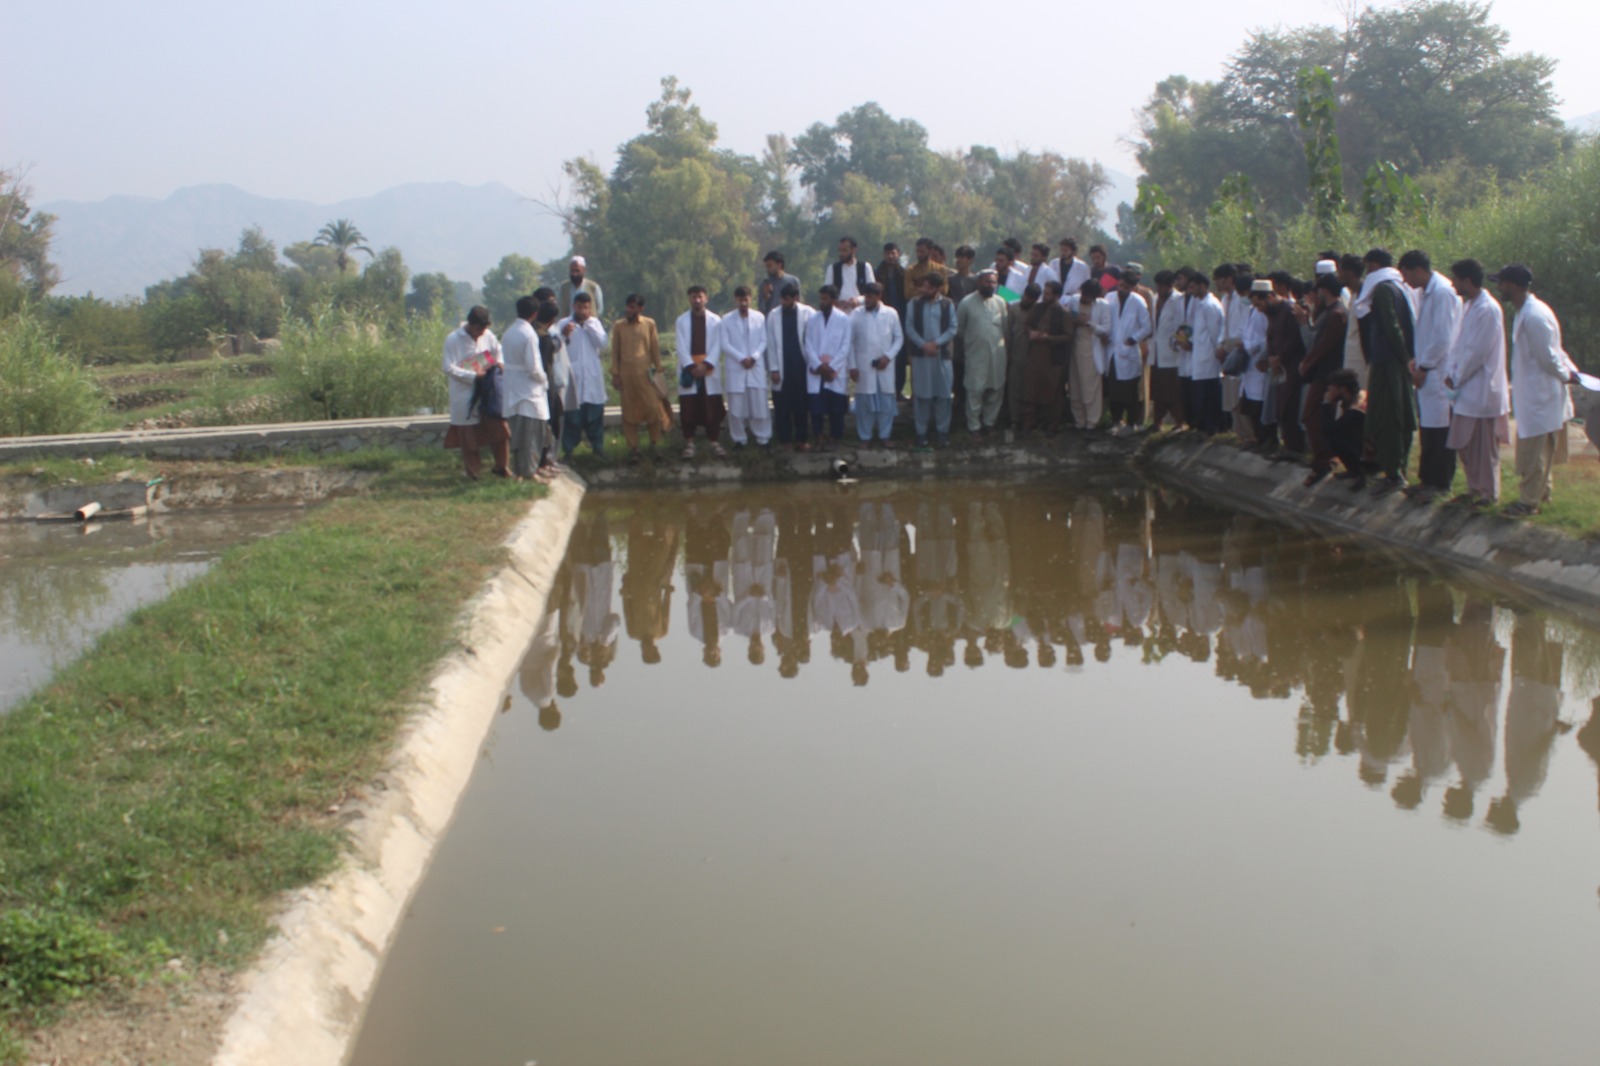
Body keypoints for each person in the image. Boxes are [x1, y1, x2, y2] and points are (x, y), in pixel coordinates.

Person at [1497, 263, 1580, 516]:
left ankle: (1528, 502)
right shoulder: (1528, 311)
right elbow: (1556, 352)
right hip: (1536, 394)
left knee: (1532, 453)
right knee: (1540, 450)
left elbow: (1548, 357)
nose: (1498, 288)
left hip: (1540, 395)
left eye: (1500, 283)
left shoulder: (1534, 315)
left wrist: (1567, 374)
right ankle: (1542, 495)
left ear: (1511, 285)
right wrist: (1569, 371)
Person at [1442, 258, 1509, 507]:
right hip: (1465, 388)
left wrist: (1457, 376)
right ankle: (1473, 488)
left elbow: (1478, 352)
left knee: (1484, 446)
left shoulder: (1488, 309)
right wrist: (1451, 371)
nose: (1453, 284)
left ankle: (1488, 494)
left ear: (1467, 281)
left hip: (1481, 387)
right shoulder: (1469, 306)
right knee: (1466, 444)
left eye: (1456, 279)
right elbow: (1458, 345)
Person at [1401, 250, 1463, 500]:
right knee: (1428, 429)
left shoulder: (1442, 292)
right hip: (1426, 368)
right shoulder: (1426, 292)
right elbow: (1426, 334)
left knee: (1440, 431)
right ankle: (1427, 479)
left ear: (1418, 270)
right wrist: (1418, 360)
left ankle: (1440, 484)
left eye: (1407, 275)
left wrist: (1424, 367)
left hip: (1437, 372)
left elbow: (1442, 338)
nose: (1406, 281)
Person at [1355, 248, 1418, 494]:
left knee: (1388, 417)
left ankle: (1393, 473)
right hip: (1397, 362)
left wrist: (1403, 358)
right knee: (1399, 414)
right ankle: (1396, 469)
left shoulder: (1382, 289)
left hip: (1388, 363)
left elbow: (1392, 327)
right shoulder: (1400, 287)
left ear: (1373, 265)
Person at [1296, 274, 1349, 485]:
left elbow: (1325, 345)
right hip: (1321, 371)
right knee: (1314, 416)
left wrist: (1307, 363)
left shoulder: (1337, 313)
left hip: (1327, 373)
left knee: (1311, 414)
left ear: (1325, 290)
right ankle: (1324, 457)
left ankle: (1324, 460)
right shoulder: (1328, 312)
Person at [441, 305, 502, 480]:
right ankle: (473, 472)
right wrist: (472, 375)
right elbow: (447, 367)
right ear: (470, 324)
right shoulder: (453, 339)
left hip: (487, 392)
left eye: (483, 329)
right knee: (468, 436)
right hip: (463, 391)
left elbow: (498, 352)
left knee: (496, 429)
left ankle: (500, 466)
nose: (480, 333)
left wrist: (499, 363)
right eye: (477, 329)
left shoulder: (488, 335)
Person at [609, 294, 670, 462]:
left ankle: (655, 444)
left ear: (640, 309)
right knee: (628, 413)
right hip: (626, 376)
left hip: (646, 375)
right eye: (628, 307)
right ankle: (634, 449)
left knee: (653, 409)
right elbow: (615, 352)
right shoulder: (619, 326)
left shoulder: (649, 324)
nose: (629, 310)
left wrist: (659, 370)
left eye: (633, 307)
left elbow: (655, 348)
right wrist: (615, 374)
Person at [905, 273, 957, 448]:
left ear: (937, 288)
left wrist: (936, 343)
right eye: (923, 286)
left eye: (928, 287)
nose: (924, 290)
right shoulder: (914, 303)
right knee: (922, 396)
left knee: (944, 395)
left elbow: (952, 328)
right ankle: (921, 433)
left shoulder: (947, 304)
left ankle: (942, 432)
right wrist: (923, 345)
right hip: (922, 356)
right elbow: (909, 327)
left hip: (941, 356)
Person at [502, 294, 551, 480]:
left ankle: (519, 470)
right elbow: (533, 366)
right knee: (531, 436)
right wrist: (543, 379)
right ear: (535, 313)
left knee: (517, 435)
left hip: (513, 388)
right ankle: (529, 471)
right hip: (529, 390)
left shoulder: (509, 332)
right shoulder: (529, 334)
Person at [956, 269, 1009, 438]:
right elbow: (959, 329)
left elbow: (1005, 327)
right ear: (979, 283)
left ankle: (989, 423)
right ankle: (974, 426)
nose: (990, 285)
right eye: (987, 282)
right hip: (975, 354)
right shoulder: (966, 302)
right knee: (975, 390)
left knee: (996, 388)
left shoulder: (1001, 301)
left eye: (993, 282)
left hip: (997, 355)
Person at [849, 281, 903, 447]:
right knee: (865, 404)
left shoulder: (891, 313)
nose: (867, 300)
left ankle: (884, 435)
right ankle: (865, 437)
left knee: (885, 404)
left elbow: (898, 338)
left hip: (885, 365)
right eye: (866, 296)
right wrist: (852, 365)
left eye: (871, 296)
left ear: (879, 296)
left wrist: (888, 357)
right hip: (864, 365)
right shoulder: (856, 314)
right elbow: (849, 342)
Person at [674, 285, 726, 458]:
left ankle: (714, 441)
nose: (697, 300)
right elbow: (680, 347)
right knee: (689, 406)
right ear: (689, 299)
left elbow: (718, 345)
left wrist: (706, 365)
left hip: (708, 369)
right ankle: (689, 442)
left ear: (706, 298)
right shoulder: (681, 321)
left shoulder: (716, 320)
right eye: (693, 297)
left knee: (711, 404)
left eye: (700, 297)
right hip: (690, 370)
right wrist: (691, 366)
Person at [557, 292, 608, 460]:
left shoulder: (594, 323)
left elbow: (602, 343)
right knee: (572, 418)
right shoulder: (564, 324)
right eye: (579, 307)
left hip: (592, 378)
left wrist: (589, 325)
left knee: (594, 416)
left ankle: (598, 449)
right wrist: (564, 334)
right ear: (574, 306)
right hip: (573, 379)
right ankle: (569, 451)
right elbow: (555, 346)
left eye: (586, 308)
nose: (582, 311)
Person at [765, 283, 815, 451]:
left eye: (787, 299)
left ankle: (801, 440)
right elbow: (770, 344)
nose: (784, 302)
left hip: (801, 365)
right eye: (782, 299)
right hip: (782, 365)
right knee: (782, 407)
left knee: (801, 406)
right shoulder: (773, 315)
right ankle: (785, 441)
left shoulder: (808, 313)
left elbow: (813, 340)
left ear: (795, 298)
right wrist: (773, 369)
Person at [720, 286, 770, 448]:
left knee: (760, 405)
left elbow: (764, 340)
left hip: (755, 366)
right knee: (736, 407)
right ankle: (739, 439)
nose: (743, 303)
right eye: (740, 300)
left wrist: (754, 357)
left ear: (750, 298)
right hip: (736, 366)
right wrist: (741, 358)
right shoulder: (726, 320)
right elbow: (724, 344)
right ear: (735, 300)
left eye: (745, 299)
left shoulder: (760, 317)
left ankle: (763, 438)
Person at [803, 284, 853, 448]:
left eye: (825, 299)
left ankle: (835, 439)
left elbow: (845, 346)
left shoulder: (844, 320)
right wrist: (819, 365)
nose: (821, 302)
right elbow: (808, 344)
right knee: (817, 409)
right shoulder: (813, 319)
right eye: (821, 298)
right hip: (817, 370)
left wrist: (831, 366)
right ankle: (819, 437)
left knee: (836, 409)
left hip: (835, 371)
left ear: (833, 300)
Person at [1020, 279, 1072, 434]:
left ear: (1056, 295)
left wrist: (1048, 338)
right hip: (1034, 356)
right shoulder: (1037, 308)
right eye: (1044, 293)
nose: (1044, 296)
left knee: (1053, 393)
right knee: (1030, 391)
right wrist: (1031, 333)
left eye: (1048, 294)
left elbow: (1068, 336)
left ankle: (1051, 427)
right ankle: (1028, 425)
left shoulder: (1063, 313)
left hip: (1053, 359)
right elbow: (1027, 325)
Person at [1105, 270, 1151, 434]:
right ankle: (1116, 421)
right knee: (1113, 390)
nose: (1121, 288)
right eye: (1120, 285)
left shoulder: (1138, 301)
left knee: (1130, 391)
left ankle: (1131, 423)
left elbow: (1147, 327)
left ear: (1132, 288)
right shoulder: (1109, 298)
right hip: (1112, 351)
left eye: (1125, 286)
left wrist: (1133, 339)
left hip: (1129, 351)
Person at [1182, 272, 1226, 435]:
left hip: (1209, 357)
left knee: (1210, 396)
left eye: (1193, 287)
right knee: (1201, 396)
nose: (1191, 291)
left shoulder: (1210, 305)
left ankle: (1213, 428)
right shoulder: (1199, 304)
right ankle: (1203, 427)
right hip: (1199, 356)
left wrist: (1217, 351)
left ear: (1202, 286)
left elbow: (1215, 333)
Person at [1065, 278, 1110, 431]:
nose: (1084, 298)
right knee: (1075, 386)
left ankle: (1092, 422)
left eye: (1088, 296)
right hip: (1074, 349)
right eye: (1083, 294)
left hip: (1091, 350)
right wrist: (1074, 320)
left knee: (1090, 388)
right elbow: (1068, 317)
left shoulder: (1103, 306)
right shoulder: (1074, 300)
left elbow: (1106, 329)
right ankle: (1079, 421)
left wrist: (1088, 323)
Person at [1148, 270, 1186, 430]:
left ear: (1170, 286)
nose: (1159, 289)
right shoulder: (1156, 299)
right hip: (1156, 350)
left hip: (1171, 352)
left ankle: (1179, 422)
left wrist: (1178, 344)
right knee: (1157, 389)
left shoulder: (1179, 300)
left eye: (1162, 286)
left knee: (1172, 390)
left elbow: (1183, 325)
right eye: (1157, 286)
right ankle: (1157, 422)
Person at [533, 299, 567, 472]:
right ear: (553, 319)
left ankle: (543, 460)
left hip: (537, 385)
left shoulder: (532, 332)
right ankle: (544, 460)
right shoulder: (544, 338)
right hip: (545, 385)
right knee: (551, 421)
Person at [1239, 279, 1273, 449]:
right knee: (1250, 405)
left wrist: (1252, 347)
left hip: (1260, 362)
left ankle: (1266, 440)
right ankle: (1256, 439)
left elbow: (1265, 338)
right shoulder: (1252, 311)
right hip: (1250, 364)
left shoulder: (1266, 314)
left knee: (1260, 405)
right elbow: (1246, 333)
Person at [946, 246, 980, 417]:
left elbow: (1008, 295)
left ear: (970, 260)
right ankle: (958, 399)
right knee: (956, 364)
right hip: (955, 329)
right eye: (958, 257)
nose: (959, 261)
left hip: (974, 328)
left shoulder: (978, 280)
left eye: (963, 258)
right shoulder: (950, 280)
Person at [875, 244, 910, 397]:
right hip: (882, 318)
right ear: (884, 254)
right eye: (888, 253)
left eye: (893, 253)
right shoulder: (877, 274)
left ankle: (898, 389)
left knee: (900, 356)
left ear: (898, 254)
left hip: (901, 317)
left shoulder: (904, 274)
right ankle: (881, 389)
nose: (890, 256)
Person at [1004, 284, 1038, 428]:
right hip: (1015, 354)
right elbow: (1007, 333)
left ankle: (1029, 420)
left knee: (1030, 389)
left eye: (1030, 298)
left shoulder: (1039, 310)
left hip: (1033, 357)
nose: (1026, 299)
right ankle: (1014, 420)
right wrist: (1008, 352)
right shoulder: (1014, 308)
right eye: (1025, 296)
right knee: (1014, 388)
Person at [1325, 368, 1367, 486]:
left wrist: (1327, 403)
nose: (1329, 389)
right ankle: (1353, 469)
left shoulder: (1356, 409)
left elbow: (1329, 428)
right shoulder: (1356, 396)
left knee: (1334, 436)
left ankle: (1359, 471)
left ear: (1342, 389)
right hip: (1365, 443)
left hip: (1372, 451)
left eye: (1332, 387)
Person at [827, 236, 875, 312]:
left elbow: (873, 291)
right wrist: (837, 302)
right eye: (840, 250)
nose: (841, 254)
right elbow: (827, 292)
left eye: (844, 250)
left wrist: (858, 300)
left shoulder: (865, 267)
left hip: (861, 311)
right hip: (839, 312)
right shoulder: (832, 268)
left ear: (854, 250)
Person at [757, 251, 801, 315]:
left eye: (770, 266)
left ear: (779, 265)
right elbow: (761, 310)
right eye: (766, 267)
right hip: (772, 320)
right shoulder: (764, 284)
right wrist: (766, 296)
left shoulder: (793, 281)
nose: (767, 269)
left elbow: (799, 304)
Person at [1054, 238, 1091, 302]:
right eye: (1061, 250)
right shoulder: (1054, 263)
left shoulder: (1083, 267)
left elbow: (1086, 287)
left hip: (1072, 301)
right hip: (1054, 300)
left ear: (1073, 252)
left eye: (1066, 250)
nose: (1063, 253)